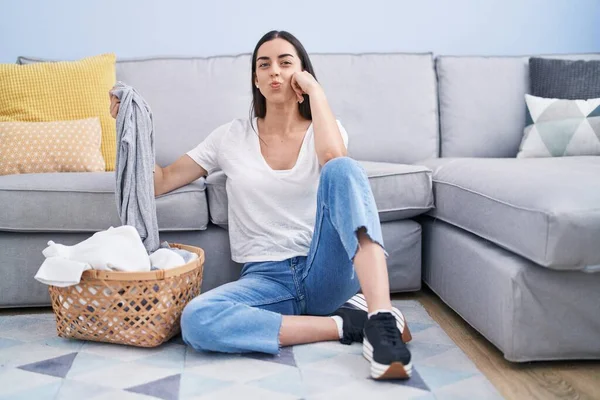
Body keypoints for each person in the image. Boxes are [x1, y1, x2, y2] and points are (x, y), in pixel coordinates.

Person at [110, 30, 412, 380]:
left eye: (286, 63)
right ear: (255, 77)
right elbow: (159, 182)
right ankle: (346, 324)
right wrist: (128, 126)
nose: (274, 71)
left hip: (324, 270)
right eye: (264, 64)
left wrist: (316, 93)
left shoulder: (326, 129)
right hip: (267, 279)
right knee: (197, 321)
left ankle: (381, 318)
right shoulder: (229, 137)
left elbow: (332, 158)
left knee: (344, 168)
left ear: (302, 72)